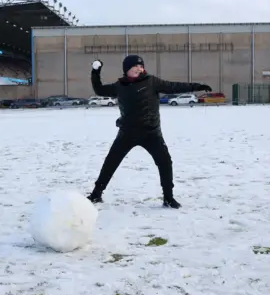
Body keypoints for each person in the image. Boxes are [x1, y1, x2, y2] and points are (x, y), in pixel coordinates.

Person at [87, 54, 212, 208]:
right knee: (111, 162)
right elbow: (99, 90)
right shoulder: (119, 86)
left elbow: (174, 86)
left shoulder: (152, 82)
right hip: (127, 133)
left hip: (151, 133)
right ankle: (96, 194)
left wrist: (197, 86)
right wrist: (95, 72)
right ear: (127, 70)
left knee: (165, 162)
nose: (139, 69)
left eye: (141, 66)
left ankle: (168, 198)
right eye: (135, 66)